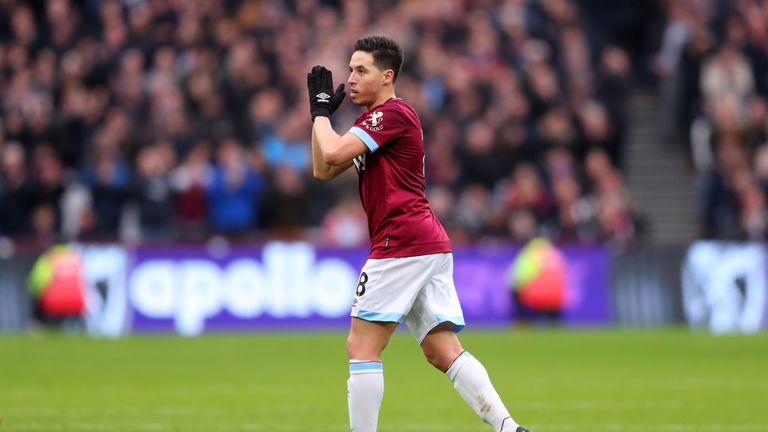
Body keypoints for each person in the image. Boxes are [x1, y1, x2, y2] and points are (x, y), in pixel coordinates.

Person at [307, 36, 531, 432]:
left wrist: (323, 114)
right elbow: (322, 170)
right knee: (441, 350)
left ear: (387, 76)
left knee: (361, 346)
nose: (351, 79)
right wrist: (318, 115)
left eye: (362, 70)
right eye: (350, 70)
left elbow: (335, 155)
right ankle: (509, 428)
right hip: (425, 242)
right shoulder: (372, 122)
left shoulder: (391, 113)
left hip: (402, 242)